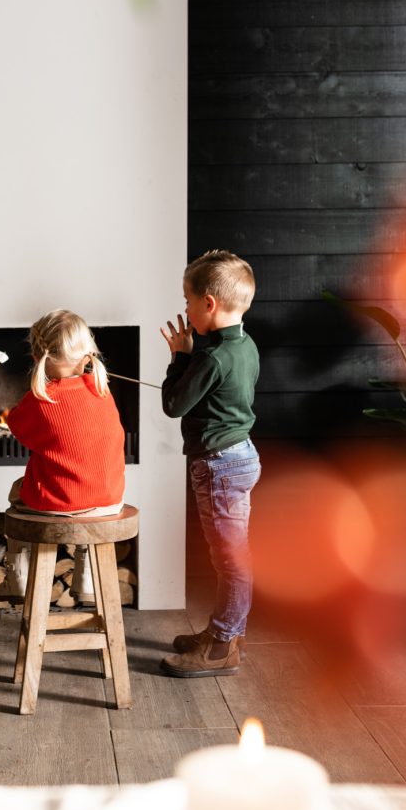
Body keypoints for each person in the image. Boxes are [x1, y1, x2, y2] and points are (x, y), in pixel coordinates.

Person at [159, 250, 261, 678]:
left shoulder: (210, 358)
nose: (184, 308)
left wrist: (180, 356)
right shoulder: (243, 346)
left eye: (186, 299)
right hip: (239, 457)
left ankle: (222, 645)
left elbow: (172, 404)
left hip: (219, 465)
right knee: (230, 558)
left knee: (231, 561)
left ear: (209, 304)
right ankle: (225, 631)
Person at [1, 310, 125, 602]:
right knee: (83, 491)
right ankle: (86, 579)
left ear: (36, 357)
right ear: (86, 356)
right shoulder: (102, 390)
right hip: (109, 501)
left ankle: (18, 577)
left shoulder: (41, 398)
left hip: (61, 502)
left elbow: (17, 427)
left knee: (16, 493)